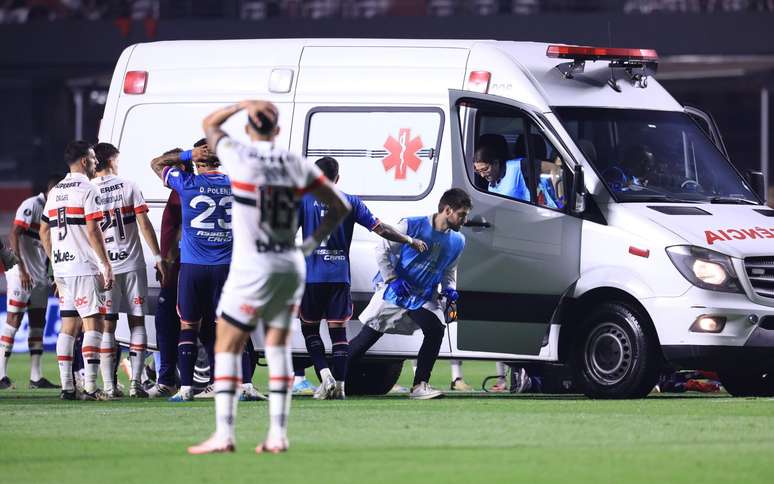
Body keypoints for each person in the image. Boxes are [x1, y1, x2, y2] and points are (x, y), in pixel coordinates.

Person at [188, 100, 350, 454]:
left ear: (249, 129)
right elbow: (341, 207)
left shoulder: (239, 155)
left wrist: (242, 104)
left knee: (227, 345)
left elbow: (209, 124)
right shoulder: (295, 164)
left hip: (252, 264)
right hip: (289, 264)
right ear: (277, 131)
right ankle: (277, 435)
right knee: (277, 347)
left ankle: (225, 434)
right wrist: (308, 245)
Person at [298, 156, 427, 400]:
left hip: (312, 277)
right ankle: (341, 385)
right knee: (339, 334)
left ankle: (324, 375)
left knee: (310, 329)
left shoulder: (303, 200)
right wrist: (409, 240)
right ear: (338, 178)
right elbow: (382, 229)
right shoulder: (351, 202)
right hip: (339, 278)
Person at [348, 188, 471, 400]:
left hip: (423, 297)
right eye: (462, 214)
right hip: (395, 294)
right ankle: (331, 377)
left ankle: (419, 385)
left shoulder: (458, 241)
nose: (464, 220)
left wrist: (450, 289)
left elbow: (449, 271)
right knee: (365, 339)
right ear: (448, 210)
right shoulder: (411, 225)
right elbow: (381, 250)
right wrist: (393, 279)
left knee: (435, 329)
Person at [150, 139, 232, 402]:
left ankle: (185, 388)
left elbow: (155, 163)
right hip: (225, 267)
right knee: (222, 326)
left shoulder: (187, 184)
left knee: (188, 324)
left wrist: (188, 153)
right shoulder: (236, 184)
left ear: (197, 162)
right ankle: (221, 382)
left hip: (193, 267)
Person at [39, 140, 114, 400]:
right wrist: (105, 264)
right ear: (84, 160)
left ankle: (67, 388)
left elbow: (43, 230)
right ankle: (92, 388)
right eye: (93, 159)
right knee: (94, 323)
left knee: (68, 325)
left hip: (62, 268)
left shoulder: (56, 190)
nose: (96, 163)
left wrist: (54, 260)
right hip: (83, 266)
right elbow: (93, 229)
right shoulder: (88, 189)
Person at [91, 142, 166, 398]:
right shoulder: (129, 186)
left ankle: (110, 387)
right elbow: (144, 224)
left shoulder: (89, 191)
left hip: (106, 267)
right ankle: (135, 383)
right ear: (111, 160)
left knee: (107, 326)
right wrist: (157, 257)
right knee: (136, 322)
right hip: (132, 264)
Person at [0, 174, 61, 390]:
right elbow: (14, 234)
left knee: (38, 324)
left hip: (40, 276)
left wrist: (53, 276)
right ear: (51, 190)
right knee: (14, 320)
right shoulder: (32, 205)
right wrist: (22, 269)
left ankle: (36, 377)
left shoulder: (55, 210)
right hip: (21, 274)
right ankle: (1, 374)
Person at [146, 148, 185, 398]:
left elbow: (155, 163)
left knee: (171, 325)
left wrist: (169, 258)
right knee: (171, 325)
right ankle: (168, 378)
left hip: (180, 270)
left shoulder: (183, 190)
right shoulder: (177, 192)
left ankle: (169, 379)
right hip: (176, 269)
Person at [472, 134, 530, 202]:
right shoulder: (491, 185)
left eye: (485, 169)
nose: (482, 175)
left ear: (496, 163)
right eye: (478, 171)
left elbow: (543, 167)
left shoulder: (518, 166)